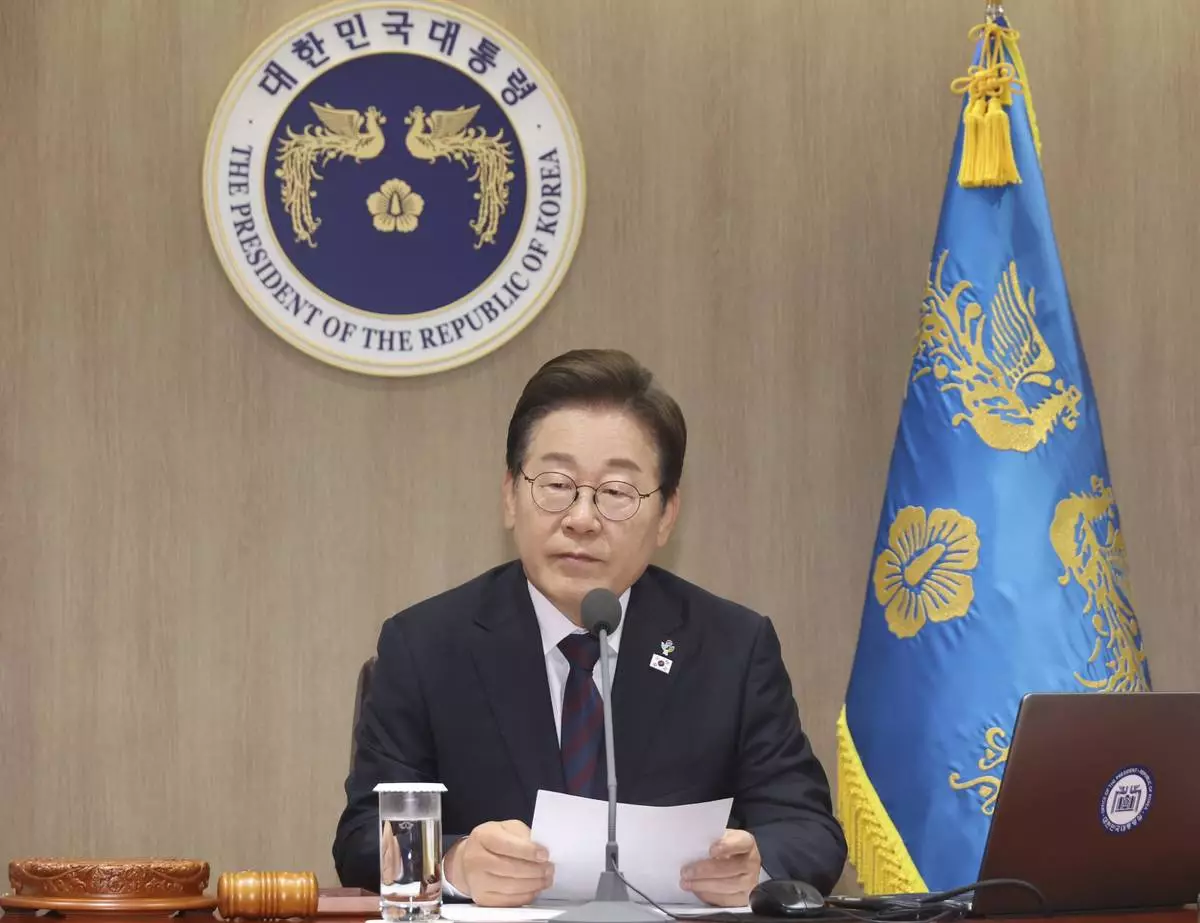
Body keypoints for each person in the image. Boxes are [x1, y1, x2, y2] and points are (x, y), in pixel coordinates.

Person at [333, 349, 846, 906]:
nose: (581, 518)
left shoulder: (731, 648)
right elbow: (362, 836)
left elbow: (808, 828)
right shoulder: (426, 645)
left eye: (617, 493)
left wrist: (758, 869)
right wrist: (454, 865)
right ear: (510, 495)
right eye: (556, 484)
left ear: (667, 514)